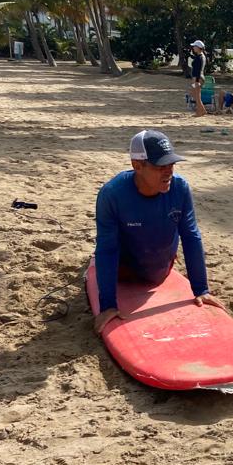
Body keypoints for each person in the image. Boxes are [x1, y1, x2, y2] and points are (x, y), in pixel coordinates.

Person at [93, 130, 224, 334]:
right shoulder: (112, 194)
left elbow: (191, 236)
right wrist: (107, 305)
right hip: (123, 270)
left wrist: (201, 289)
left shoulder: (179, 188)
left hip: (160, 270)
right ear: (137, 165)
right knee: (104, 250)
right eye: (160, 166)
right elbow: (107, 249)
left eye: (171, 164)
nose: (168, 172)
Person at [189, 40, 207, 117]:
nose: (193, 48)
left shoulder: (200, 57)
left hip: (197, 78)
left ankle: (201, 110)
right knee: (194, 94)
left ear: (198, 48)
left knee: (197, 95)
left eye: (195, 46)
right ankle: (201, 110)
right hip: (198, 78)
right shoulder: (201, 56)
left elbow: (198, 70)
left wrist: (196, 80)